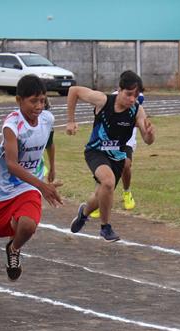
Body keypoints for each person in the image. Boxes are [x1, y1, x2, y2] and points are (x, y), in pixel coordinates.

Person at [0, 75, 62, 304]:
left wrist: (52, 168)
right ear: (19, 100)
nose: (38, 106)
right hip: (1, 189)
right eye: (33, 101)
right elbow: (11, 164)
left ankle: (14, 248)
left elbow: (48, 142)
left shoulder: (47, 118)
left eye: (42, 100)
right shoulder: (12, 124)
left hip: (28, 186)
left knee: (28, 224)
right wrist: (44, 187)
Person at [67, 71, 155, 241]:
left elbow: (147, 139)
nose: (132, 99)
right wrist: (71, 120)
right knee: (108, 182)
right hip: (96, 151)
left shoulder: (137, 111)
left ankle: (83, 213)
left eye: (135, 96)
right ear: (119, 90)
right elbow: (74, 91)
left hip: (117, 157)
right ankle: (105, 228)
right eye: (128, 94)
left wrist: (150, 134)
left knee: (101, 193)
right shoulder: (103, 100)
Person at [90, 92, 144, 218]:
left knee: (126, 164)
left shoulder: (138, 97)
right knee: (105, 169)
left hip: (126, 140)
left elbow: (138, 116)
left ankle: (127, 192)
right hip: (108, 140)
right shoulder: (109, 97)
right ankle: (98, 200)